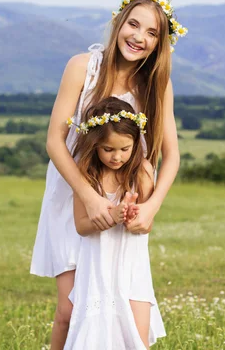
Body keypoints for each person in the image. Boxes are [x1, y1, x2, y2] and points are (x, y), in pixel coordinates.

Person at [30, 0, 187, 349]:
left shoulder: (156, 85)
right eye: (134, 24)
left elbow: (171, 154)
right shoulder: (83, 66)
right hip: (72, 193)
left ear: (160, 43)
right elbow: (55, 141)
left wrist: (151, 207)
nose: (139, 37)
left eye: (151, 33)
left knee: (120, 306)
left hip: (121, 196)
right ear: (119, 23)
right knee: (69, 310)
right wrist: (87, 197)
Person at [64, 97, 165, 349]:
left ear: (135, 144)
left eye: (124, 149)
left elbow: (147, 225)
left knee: (136, 340)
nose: (116, 157)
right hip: (97, 268)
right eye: (108, 149)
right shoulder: (87, 175)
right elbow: (81, 226)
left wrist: (132, 218)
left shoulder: (141, 172)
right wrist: (112, 217)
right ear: (94, 144)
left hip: (132, 268)